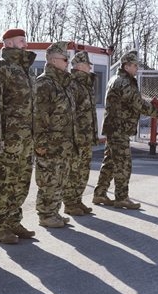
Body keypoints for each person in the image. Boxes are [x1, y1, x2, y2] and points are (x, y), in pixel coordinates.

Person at [93, 50, 158, 210]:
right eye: (135, 65)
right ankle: (122, 198)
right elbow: (138, 103)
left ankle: (100, 193)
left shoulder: (116, 79)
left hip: (115, 128)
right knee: (123, 163)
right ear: (127, 65)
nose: (137, 68)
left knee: (110, 162)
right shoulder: (124, 82)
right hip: (119, 129)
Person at [0, 28, 36, 243]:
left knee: (22, 181)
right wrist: (1, 136)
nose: (25, 44)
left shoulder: (26, 70)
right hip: (10, 138)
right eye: (20, 41)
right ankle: (0, 226)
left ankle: (14, 220)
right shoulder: (2, 69)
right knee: (4, 182)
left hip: (26, 137)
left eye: (25, 41)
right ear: (7, 44)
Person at [34, 41, 77, 227]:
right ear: (52, 60)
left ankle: (54, 212)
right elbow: (39, 116)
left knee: (60, 179)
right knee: (49, 180)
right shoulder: (44, 83)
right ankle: (45, 215)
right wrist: (41, 144)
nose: (68, 62)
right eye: (65, 59)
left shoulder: (63, 83)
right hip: (50, 143)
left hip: (63, 143)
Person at [63, 51, 99, 216]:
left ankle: (77, 200)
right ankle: (70, 203)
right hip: (77, 138)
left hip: (86, 137)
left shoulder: (86, 84)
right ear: (78, 66)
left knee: (83, 171)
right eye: (87, 64)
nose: (90, 67)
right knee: (74, 171)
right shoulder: (72, 84)